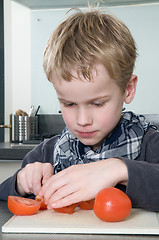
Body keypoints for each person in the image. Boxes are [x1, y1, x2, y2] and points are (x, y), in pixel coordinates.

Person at [1, 8, 159, 212]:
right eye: (69, 104)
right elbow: (4, 196)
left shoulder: (150, 144)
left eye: (98, 103)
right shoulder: (45, 153)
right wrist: (20, 183)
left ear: (128, 89)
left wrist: (120, 169)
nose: (82, 120)